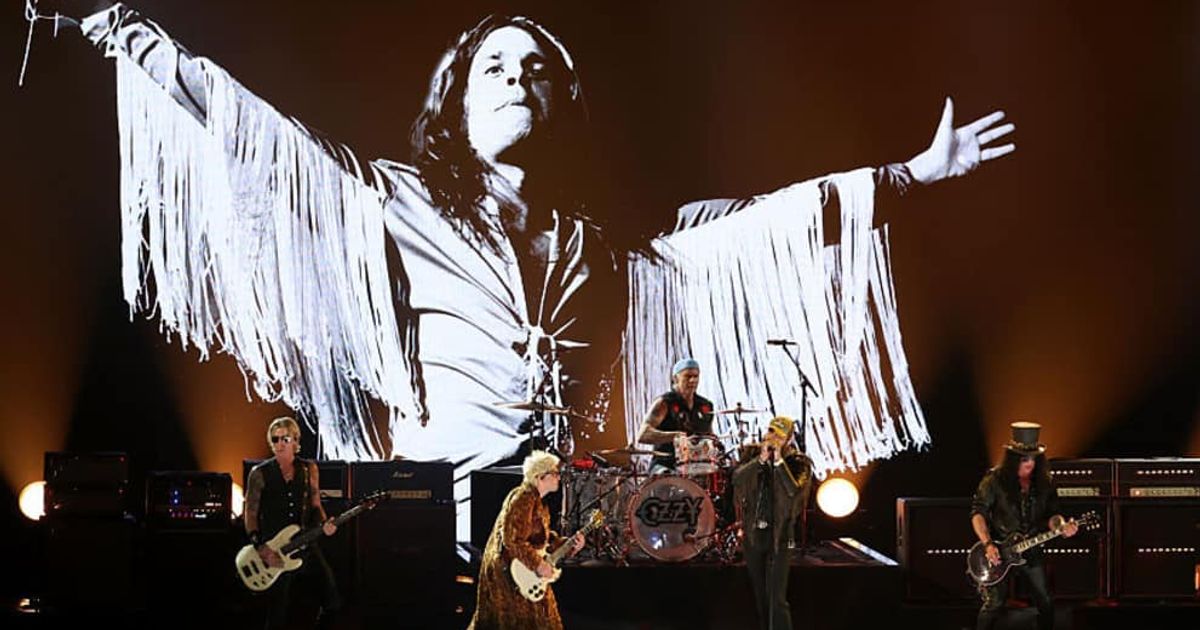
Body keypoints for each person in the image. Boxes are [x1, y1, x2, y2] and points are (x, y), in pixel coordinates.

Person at [50, 1, 1014, 538]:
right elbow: (254, 133)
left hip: (572, 535)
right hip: (443, 530)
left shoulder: (613, 251)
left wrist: (908, 174)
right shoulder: (394, 204)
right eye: (494, 68)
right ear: (458, 104)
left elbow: (755, 229)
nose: (517, 79)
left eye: (536, 69)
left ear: (563, 103)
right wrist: (121, 27)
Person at [970, 422, 1078, 630]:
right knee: (994, 603)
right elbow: (978, 512)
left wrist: (1062, 526)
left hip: (1031, 548)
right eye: (1024, 459)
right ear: (1012, 460)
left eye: (1034, 458)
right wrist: (988, 544)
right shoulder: (994, 480)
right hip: (999, 550)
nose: (1030, 463)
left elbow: (1053, 515)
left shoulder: (1045, 482)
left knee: (1045, 601)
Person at [244, 417, 341, 629]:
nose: (280, 444)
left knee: (331, 597)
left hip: (305, 543)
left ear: (296, 441)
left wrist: (325, 524)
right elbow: (250, 513)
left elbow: (315, 505)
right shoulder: (259, 473)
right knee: (277, 611)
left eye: (285, 439)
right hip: (274, 549)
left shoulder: (309, 469)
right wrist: (260, 546)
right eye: (275, 439)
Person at [470, 450, 585, 630]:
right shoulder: (523, 498)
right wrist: (538, 564)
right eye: (554, 473)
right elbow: (513, 540)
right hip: (510, 573)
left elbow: (541, 538)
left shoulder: (537, 501)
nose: (558, 477)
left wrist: (569, 545)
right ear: (540, 477)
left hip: (523, 570)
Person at [732, 416, 812, 630]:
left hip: (781, 535)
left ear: (788, 439)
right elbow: (737, 479)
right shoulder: (752, 454)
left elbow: (792, 490)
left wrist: (778, 461)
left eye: (779, 435)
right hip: (754, 533)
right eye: (771, 431)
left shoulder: (799, 463)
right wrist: (760, 459)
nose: (773, 437)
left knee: (776, 598)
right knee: (760, 596)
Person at [637, 358, 716, 474]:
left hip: (694, 466)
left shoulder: (705, 405)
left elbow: (709, 435)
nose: (693, 380)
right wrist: (675, 436)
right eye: (688, 376)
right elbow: (643, 435)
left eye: (696, 376)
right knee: (670, 477)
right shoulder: (664, 403)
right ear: (675, 378)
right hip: (664, 465)